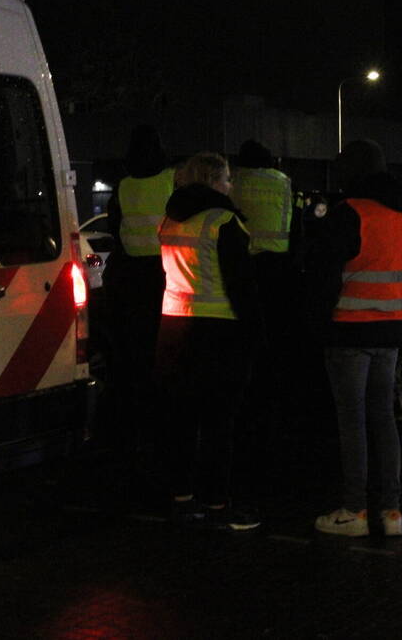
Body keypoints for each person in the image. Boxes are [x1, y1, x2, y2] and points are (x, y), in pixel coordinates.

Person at [310, 140, 402, 538]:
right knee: (383, 419)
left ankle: (354, 510)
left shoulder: (349, 214)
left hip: (348, 332)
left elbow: (323, 279)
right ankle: (391, 512)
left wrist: (318, 325)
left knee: (351, 422)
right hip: (391, 331)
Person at [156, 152, 262, 531]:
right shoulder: (224, 221)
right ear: (215, 181)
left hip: (173, 330)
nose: (231, 185)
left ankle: (182, 499)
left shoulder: (170, 218)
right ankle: (219, 505)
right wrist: (254, 332)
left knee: (181, 419)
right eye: (228, 179)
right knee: (219, 423)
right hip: (219, 332)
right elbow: (241, 288)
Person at [103, 126, 175, 459]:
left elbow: (113, 225)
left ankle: (126, 428)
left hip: (130, 278)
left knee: (131, 359)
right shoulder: (172, 180)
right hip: (163, 276)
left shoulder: (124, 185)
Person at [229, 140, 294, 467]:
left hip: (245, 266)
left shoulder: (235, 181)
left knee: (247, 343)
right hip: (277, 268)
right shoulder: (282, 181)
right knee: (273, 343)